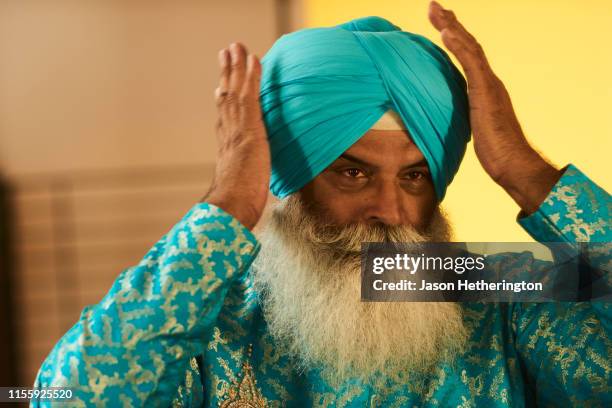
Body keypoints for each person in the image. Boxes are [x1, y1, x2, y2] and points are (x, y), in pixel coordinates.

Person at [33, 2, 610, 406]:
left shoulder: (492, 285)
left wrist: (528, 175)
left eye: (414, 176)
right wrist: (229, 206)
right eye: (353, 172)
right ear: (291, 180)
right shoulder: (208, 314)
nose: (389, 208)